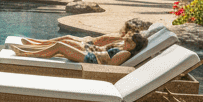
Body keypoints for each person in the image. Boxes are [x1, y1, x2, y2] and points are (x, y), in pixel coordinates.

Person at [10, 32, 148, 66]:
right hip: (89, 54)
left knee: (60, 46)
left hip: (89, 60)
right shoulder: (124, 49)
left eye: (129, 40)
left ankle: (27, 53)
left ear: (133, 45)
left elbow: (110, 67)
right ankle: (31, 49)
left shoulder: (125, 53)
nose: (125, 40)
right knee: (63, 44)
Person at [10, 20, 148, 50]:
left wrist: (87, 43)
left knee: (66, 38)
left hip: (89, 44)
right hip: (89, 41)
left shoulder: (122, 39)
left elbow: (104, 44)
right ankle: (37, 43)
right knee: (66, 38)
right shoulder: (121, 37)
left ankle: (37, 44)